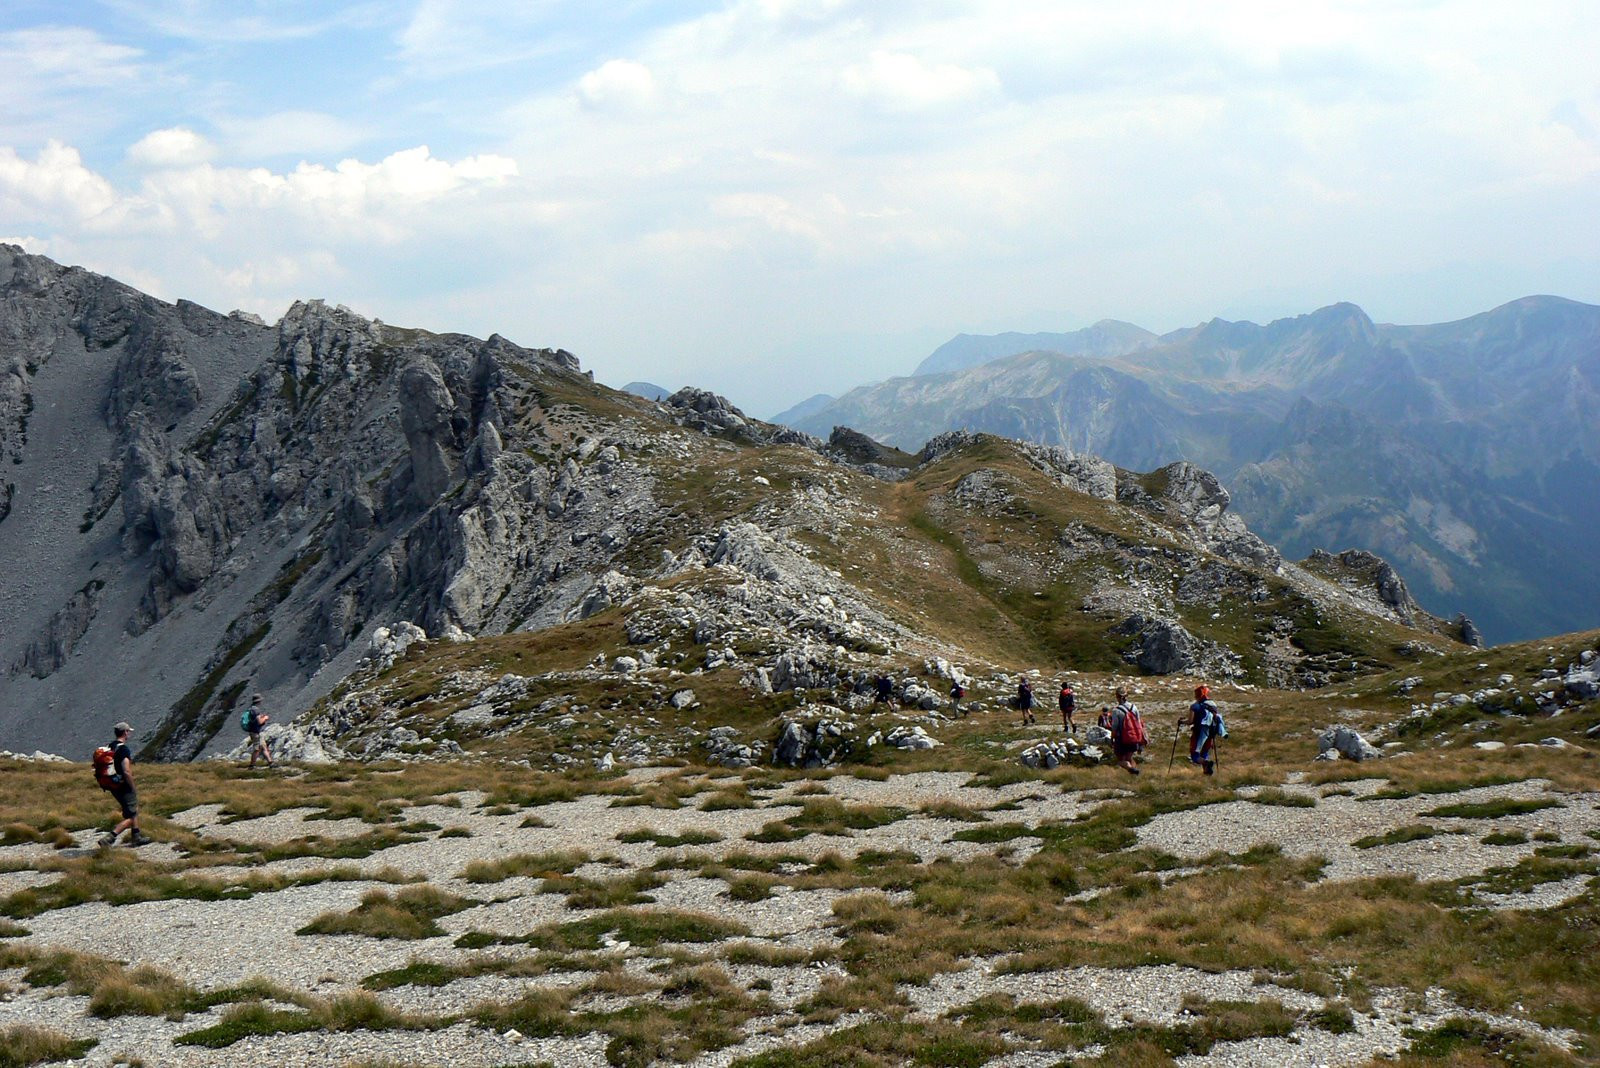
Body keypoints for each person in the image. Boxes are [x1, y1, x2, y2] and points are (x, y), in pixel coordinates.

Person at [100, 722, 151, 847]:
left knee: (132, 811)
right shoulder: (123, 749)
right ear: (125, 732)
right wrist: (132, 786)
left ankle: (136, 835)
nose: (130, 733)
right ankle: (110, 837)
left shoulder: (110, 746)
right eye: (129, 731)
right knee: (131, 815)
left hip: (113, 785)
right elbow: (126, 771)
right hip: (123, 785)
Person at [1183, 685, 1224, 776]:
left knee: (1195, 755)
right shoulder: (1213, 705)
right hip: (1210, 733)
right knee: (1204, 752)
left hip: (1198, 733)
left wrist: (1181, 722)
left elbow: (1190, 721)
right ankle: (1207, 773)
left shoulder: (1195, 706)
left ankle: (1206, 763)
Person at [1107, 687, 1145, 775]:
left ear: (1117, 696)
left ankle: (1132, 770)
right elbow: (1139, 723)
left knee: (1121, 761)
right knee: (1129, 757)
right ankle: (1135, 775)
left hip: (1122, 739)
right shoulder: (1134, 707)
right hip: (1135, 737)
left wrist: (1112, 738)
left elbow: (1114, 727)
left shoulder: (1116, 711)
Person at [245, 694, 274, 769]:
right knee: (257, 749)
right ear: (259, 701)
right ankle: (251, 766)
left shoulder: (251, 708)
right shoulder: (256, 710)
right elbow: (260, 722)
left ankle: (270, 763)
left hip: (255, 731)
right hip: (255, 732)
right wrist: (265, 718)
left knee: (264, 747)